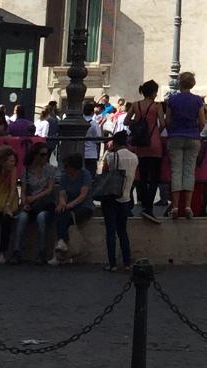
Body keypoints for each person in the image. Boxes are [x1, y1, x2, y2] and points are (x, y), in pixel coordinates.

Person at [164, 72, 207, 218]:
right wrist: (196, 131)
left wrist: (173, 130)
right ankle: (188, 206)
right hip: (193, 138)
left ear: (179, 83)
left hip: (175, 137)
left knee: (176, 171)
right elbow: (202, 122)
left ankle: (175, 207)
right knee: (189, 171)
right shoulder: (197, 101)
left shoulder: (172, 99)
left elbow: (168, 121)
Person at [97, 133, 138, 269]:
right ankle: (127, 262)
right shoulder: (134, 158)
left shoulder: (111, 157)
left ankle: (112, 263)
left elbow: (104, 175)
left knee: (110, 231)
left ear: (115, 142)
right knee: (122, 231)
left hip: (110, 197)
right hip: (125, 197)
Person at [9, 146, 58, 263]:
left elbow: (50, 189)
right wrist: (25, 201)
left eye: (46, 154)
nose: (45, 157)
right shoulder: (27, 170)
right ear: (35, 155)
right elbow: (24, 190)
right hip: (31, 205)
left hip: (45, 203)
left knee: (41, 218)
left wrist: (34, 198)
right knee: (22, 218)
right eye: (42, 155)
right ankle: (17, 251)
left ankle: (42, 252)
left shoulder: (50, 169)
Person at [131, 80, 165, 219]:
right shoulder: (157, 106)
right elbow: (163, 123)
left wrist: (138, 126)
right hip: (155, 142)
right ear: (153, 93)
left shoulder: (135, 105)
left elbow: (127, 121)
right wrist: (156, 130)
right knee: (155, 177)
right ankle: (149, 206)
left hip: (141, 144)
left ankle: (144, 204)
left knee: (143, 177)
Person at [52, 153, 93, 262]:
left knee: (64, 218)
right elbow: (62, 192)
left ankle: (62, 243)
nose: (65, 169)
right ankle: (63, 244)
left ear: (74, 168)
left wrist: (69, 205)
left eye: (67, 166)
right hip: (70, 205)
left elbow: (83, 195)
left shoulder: (85, 175)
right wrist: (62, 203)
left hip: (84, 206)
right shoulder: (65, 176)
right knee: (61, 213)